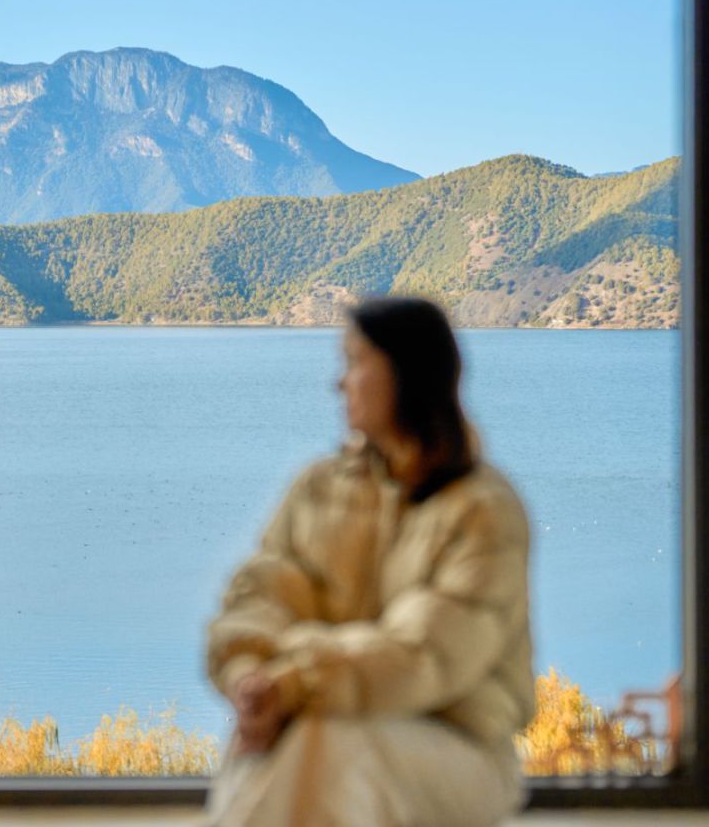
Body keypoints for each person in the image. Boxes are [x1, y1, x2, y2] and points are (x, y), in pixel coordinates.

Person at [205, 296, 534, 827]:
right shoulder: (318, 490)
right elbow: (261, 595)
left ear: (406, 374)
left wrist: (292, 683)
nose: (340, 383)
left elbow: (424, 652)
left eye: (355, 363)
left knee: (324, 742)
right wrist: (250, 679)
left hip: (458, 750)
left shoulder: (482, 511)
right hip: (319, 721)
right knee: (314, 737)